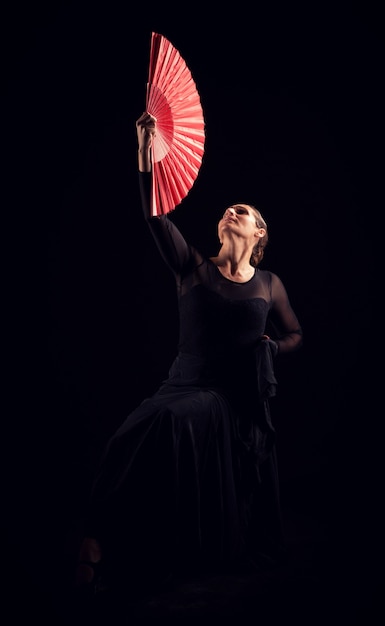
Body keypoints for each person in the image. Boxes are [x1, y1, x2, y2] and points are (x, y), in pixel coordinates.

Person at [74, 112, 303, 597]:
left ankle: (102, 542)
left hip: (230, 399)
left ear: (259, 233)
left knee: (171, 423)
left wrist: (272, 350)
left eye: (241, 211)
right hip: (183, 382)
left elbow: (295, 334)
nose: (230, 213)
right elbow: (154, 214)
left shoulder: (269, 284)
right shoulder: (192, 266)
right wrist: (145, 154)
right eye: (226, 210)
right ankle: (101, 537)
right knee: (132, 432)